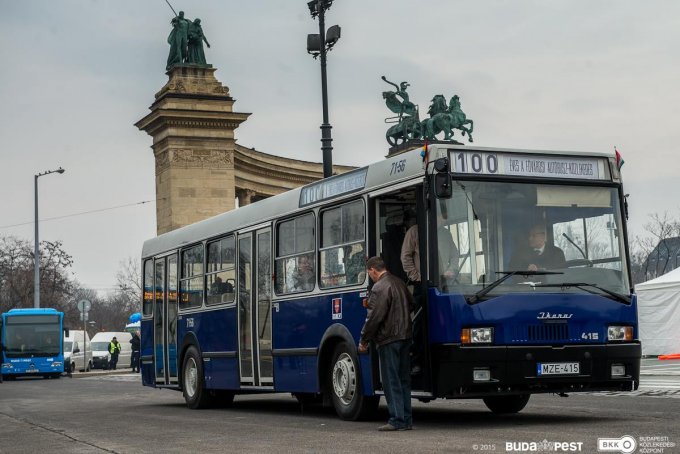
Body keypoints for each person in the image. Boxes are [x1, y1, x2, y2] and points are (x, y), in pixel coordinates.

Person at [358, 256, 414, 431]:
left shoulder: (379, 287)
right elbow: (411, 305)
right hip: (405, 336)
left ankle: (397, 419)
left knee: (391, 380)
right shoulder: (399, 283)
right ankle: (406, 419)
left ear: (373, 270)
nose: (371, 277)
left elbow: (373, 318)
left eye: (370, 273)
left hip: (389, 338)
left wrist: (364, 339)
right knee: (404, 379)